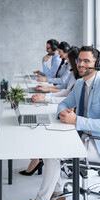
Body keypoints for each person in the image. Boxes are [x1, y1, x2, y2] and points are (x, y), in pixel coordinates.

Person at [23, 46, 100, 200]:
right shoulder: (79, 84)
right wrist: (64, 113)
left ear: (97, 63)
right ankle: (58, 195)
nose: (81, 64)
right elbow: (64, 103)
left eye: (86, 61)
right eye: (79, 60)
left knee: (53, 153)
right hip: (83, 136)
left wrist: (76, 120)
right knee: (47, 144)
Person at [19, 47, 80, 176]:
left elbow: (66, 95)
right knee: (39, 123)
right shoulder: (74, 75)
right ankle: (37, 157)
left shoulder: (79, 79)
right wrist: (46, 94)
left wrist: (46, 94)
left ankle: (38, 158)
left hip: (71, 117)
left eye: (69, 60)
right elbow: (65, 92)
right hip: (65, 111)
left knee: (43, 126)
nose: (67, 63)